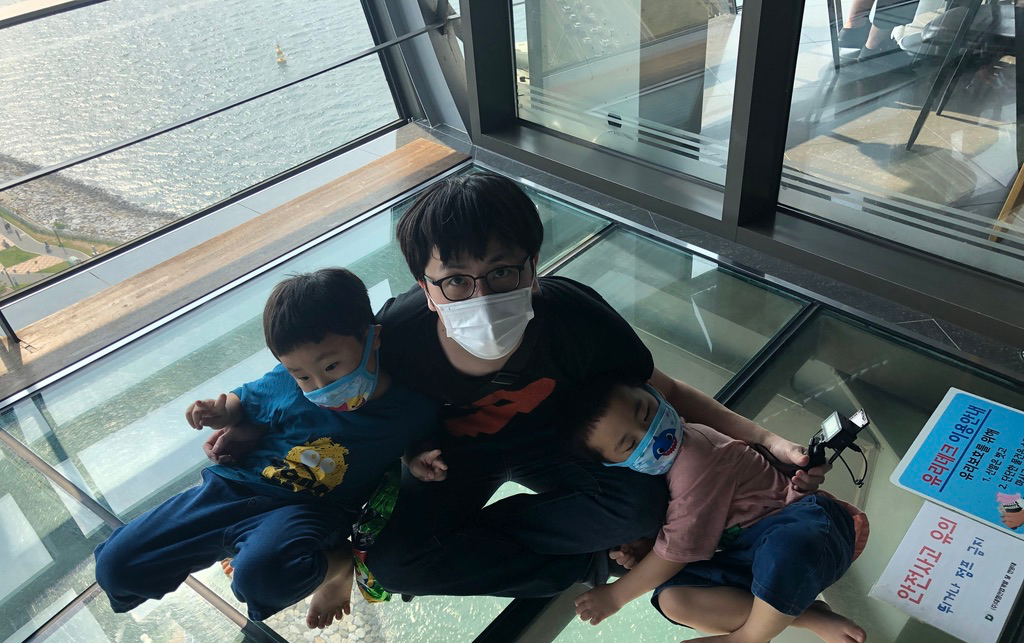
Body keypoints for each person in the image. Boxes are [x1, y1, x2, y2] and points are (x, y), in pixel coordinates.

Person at [207, 173, 828, 599]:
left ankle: (576, 542)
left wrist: (766, 440)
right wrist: (253, 421)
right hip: (446, 462)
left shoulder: (573, 316)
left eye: (502, 271)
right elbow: (324, 379)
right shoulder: (397, 334)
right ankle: (583, 560)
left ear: (534, 268)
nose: (480, 294)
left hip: (556, 447)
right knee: (397, 564)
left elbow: (666, 390)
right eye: (455, 280)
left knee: (638, 507)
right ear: (425, 288)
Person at [94, 268, 440, 628]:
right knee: (116, 567)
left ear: (372, 338)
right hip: (232, 489)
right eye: (302, 375)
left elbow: (412, 444)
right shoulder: (284, 383)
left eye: (331, 366)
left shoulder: (410, 408)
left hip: (309, 511)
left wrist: (417, 460)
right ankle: (243, 544)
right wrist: (220, 412)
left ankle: (337, 566)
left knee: (262, 579)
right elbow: (244, 401)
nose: (319, 385)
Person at [569, 377, 869, 643]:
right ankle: (805, 614)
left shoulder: (695, 460)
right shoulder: (666, 465)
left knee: (785, 549)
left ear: (655, 393)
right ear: (612, 465)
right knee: (675, 599)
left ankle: (747, 642)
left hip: (806, 529)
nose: (652, 434)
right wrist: (647, 546)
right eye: (631, 444)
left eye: (646, 413)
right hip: (749, 551)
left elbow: (676, 551)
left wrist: (615, 595)